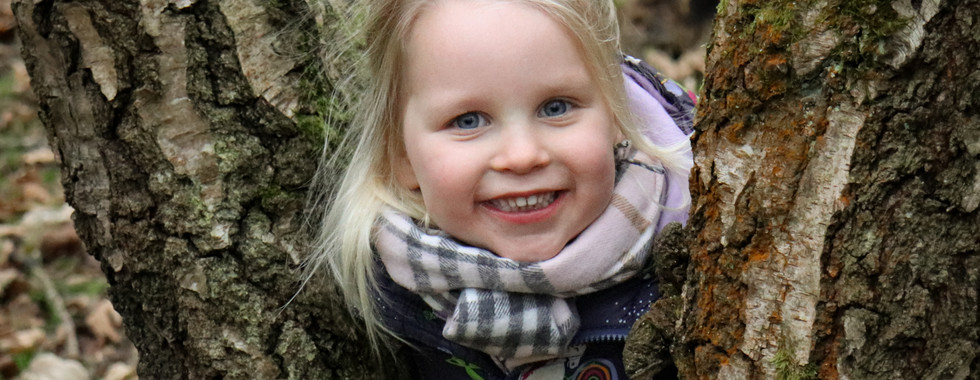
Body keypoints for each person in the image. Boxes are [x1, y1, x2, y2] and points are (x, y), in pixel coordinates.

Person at [305, 0, 696, 378]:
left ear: (616, 118)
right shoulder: (398, 291)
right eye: (468, 120)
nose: (522, 156)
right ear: (400, 155)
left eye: (556, 107)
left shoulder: (696, 239)